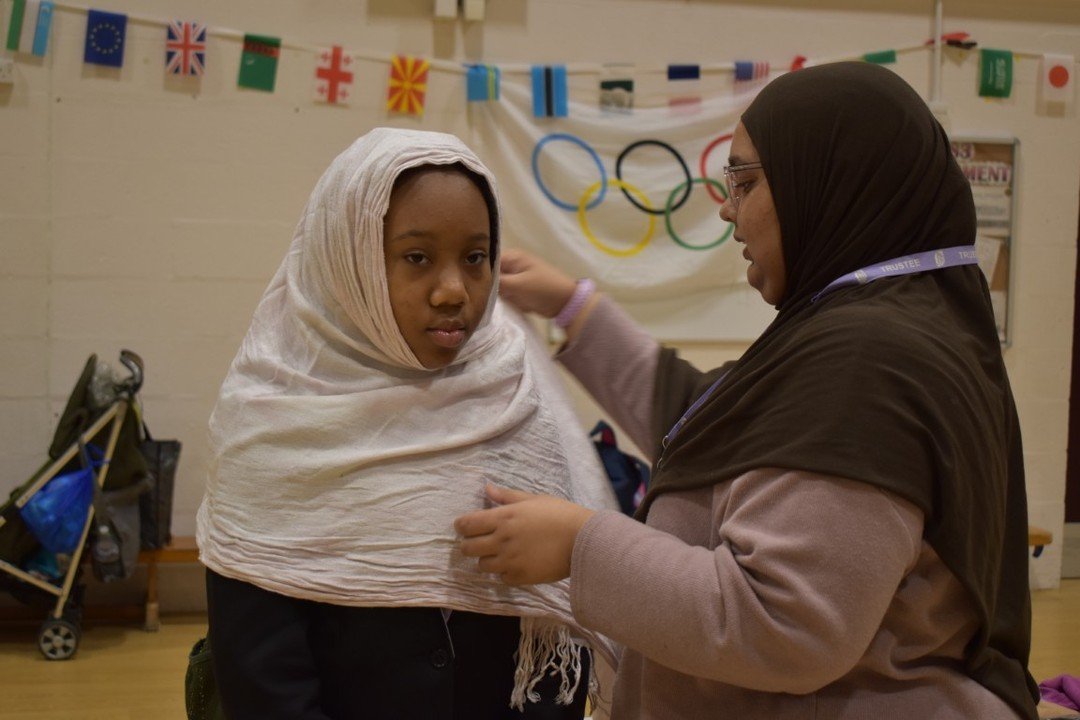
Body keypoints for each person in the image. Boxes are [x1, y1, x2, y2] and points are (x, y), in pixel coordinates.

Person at [456, 61, 1040, 719]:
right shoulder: (884, 328)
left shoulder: (866, 361)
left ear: (829, 182)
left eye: (746, 180)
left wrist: (580, 544)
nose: (727, 207)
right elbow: (721, 429)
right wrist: (573, 308)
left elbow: (782, 623)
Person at [196, 127, 618, 720]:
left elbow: (549, 643)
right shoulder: (268, 422)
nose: (453, 291)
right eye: (416, 257)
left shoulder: (517, 395)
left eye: (475, 258)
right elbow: (263, 677)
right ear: (349, 259)